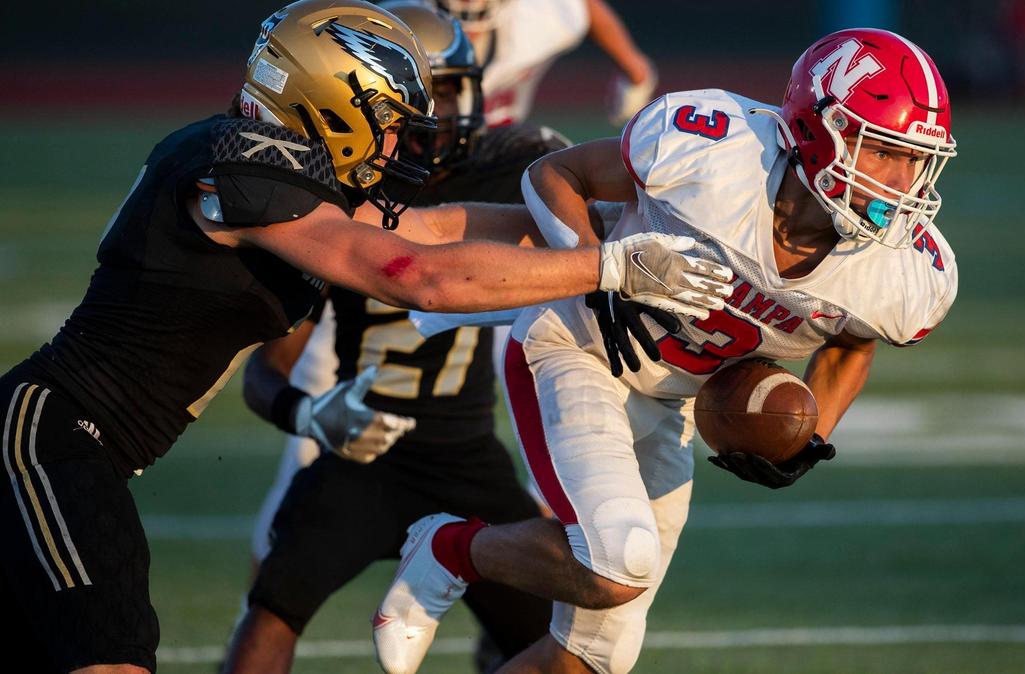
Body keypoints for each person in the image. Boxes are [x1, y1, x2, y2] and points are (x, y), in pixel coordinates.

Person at [0, 1, 734, 672]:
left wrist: (616, 225)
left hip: (87, 444)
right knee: (116, 656)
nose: (395, 138)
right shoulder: (239, 162)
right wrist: (607, 266)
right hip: (56, 432)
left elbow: (437, 227)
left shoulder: (270, 168)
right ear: (324, 101)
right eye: (385, 116)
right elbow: (418, 273)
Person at [371, 28, 960, 674]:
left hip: (671, 400)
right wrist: (591, 272)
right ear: (821, 130)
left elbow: (853, 339)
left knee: (594, 658)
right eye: (883, 151)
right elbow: (554, 173)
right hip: (580, 346)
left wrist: (810, 431)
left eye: (916, 159)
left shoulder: (900, 273)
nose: (902, 182)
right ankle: (448, 549)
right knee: (617, 563)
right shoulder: (718, 155)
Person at [223, 4, 573, 672]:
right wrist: (313, 415)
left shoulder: (515, 166)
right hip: (362, 456)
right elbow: (266, 370)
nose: (434, 114)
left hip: (468, 454)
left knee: (555, 629)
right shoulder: (339, 192)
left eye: (447, 91)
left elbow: (593, 198)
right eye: (420, 96)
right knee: (273, 604)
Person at [436, 0, 657, 127]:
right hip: (422, 145)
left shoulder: (532, 24)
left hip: (497, 143)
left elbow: (582, 9)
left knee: (554, 163)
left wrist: (636, 69)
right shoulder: (406, 18)